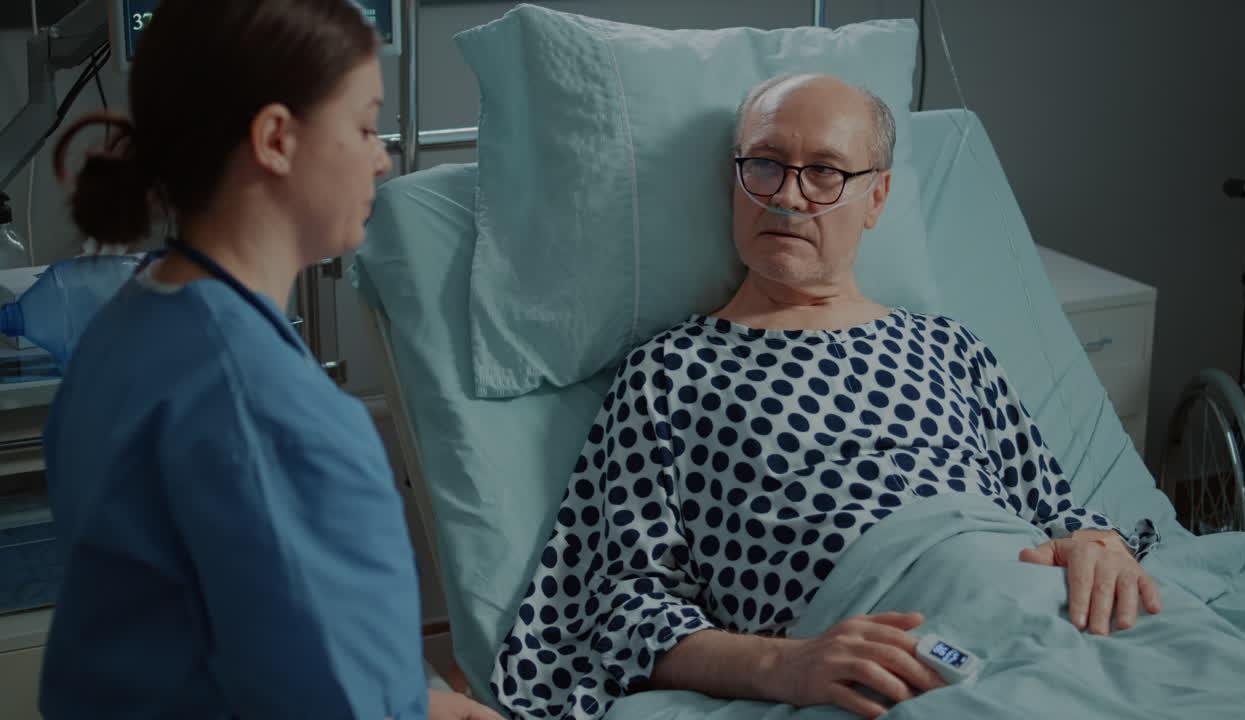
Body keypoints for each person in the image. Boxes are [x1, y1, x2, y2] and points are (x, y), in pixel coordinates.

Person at [491, 74, 1162, 720]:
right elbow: (623, 611)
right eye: (765, 164)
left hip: (1051, 613)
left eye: (825, 172)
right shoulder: (667, 374)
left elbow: (1057, 509)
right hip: (894, 658)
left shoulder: (951, 348)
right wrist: (785, 665)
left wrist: (1098, 542)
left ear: (876, 199)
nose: (787, 194)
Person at [38, 2, 500, 718]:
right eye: (364, 125)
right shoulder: (277, 421)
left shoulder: (126, 327)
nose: (382, 156)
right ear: (277, 138)